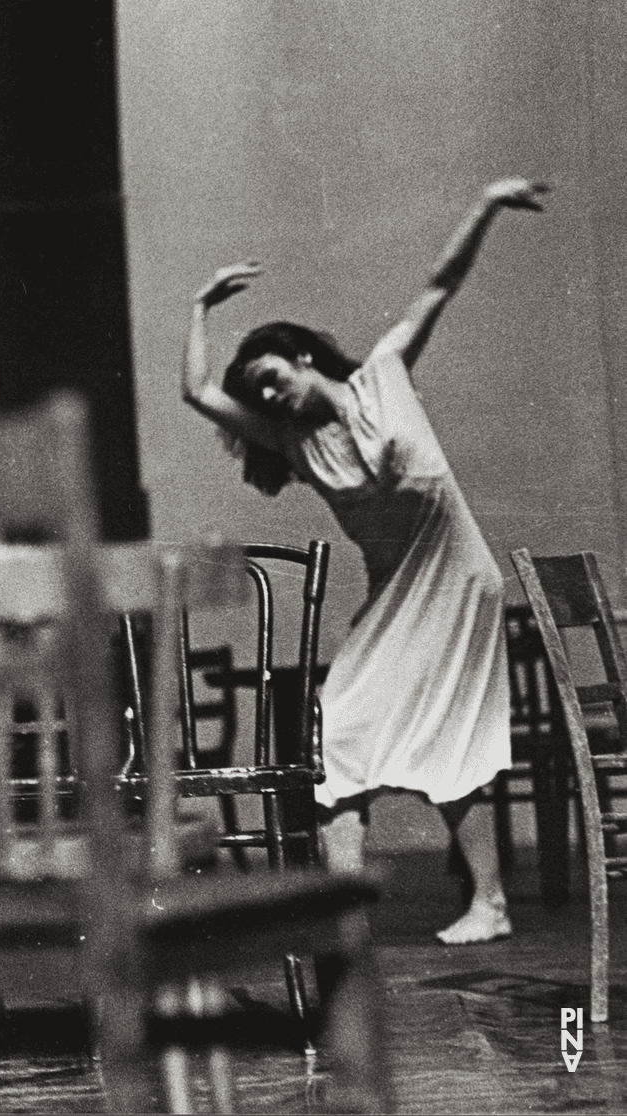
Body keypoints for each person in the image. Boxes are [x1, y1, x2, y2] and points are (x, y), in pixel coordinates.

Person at [178, 176, 549, 945]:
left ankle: (489, 902)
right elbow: (197, 392)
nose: (270, 398)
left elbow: (439, 283)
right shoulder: (291, 441)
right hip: (398, 589)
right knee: (339, 724)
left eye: (273, 379)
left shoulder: (385, 371)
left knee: (452, 736)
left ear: (301, 355)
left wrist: (483, 203)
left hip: (456, 575)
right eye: (261, 394)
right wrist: (198, 307)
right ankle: (342, 909)